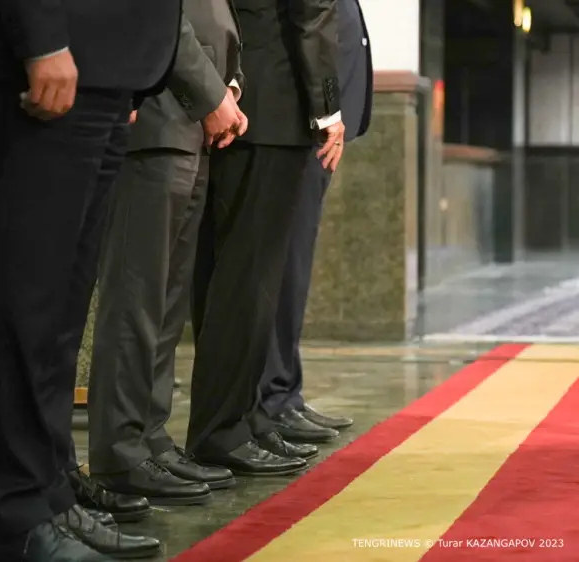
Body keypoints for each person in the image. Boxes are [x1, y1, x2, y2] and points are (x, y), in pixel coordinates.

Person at [0, 0, 182, 558]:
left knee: (60, 309)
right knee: (24, 298)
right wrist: (42, 38)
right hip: (52, 51)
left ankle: (49, 492)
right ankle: (12, 510)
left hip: (106, 65)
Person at [86, 2, 247, 508]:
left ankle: (150, 435)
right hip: (157, 114)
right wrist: (211, 93)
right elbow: (161, 16)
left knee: (167, 303)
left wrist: (228, 86)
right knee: (135, 299)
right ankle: (120, 449)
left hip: (193, 121)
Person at [187, 0, 346, 475]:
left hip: (243, 95)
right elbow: (312, 11)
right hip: (272, 103)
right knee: (247, 282)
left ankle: (244, 417)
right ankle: (223, 431)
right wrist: (327, 108)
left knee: (230, 278)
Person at [258, 0, 374, 445]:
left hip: (316, 119)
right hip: (302, 116)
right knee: (283, 264)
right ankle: (272, 396)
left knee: (295, 264)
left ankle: (285, 392)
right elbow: (309, 19)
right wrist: (325, 109)